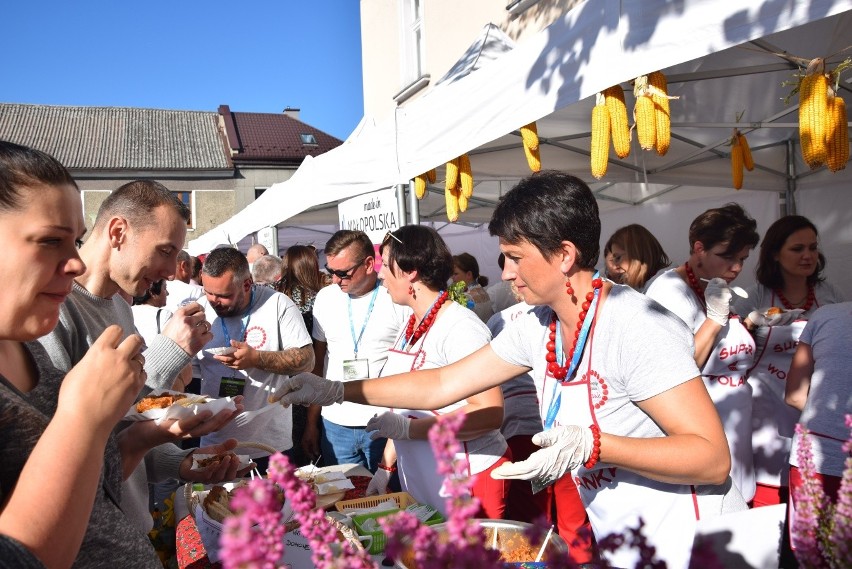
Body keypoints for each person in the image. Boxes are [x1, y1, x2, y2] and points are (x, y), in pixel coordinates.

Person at [274, 171, 744, 569]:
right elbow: (443, 383)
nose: (505, 273)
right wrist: (336, 389)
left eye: (516, 258)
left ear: (563, 254)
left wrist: (594, 445)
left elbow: (710, 457)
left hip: (694, 539)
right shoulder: (535, 325)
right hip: (625, 535)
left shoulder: (635, 323)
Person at [36, 179, 246, 533]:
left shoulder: (119, 304)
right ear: (118, 232)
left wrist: (179, 462)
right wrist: (171, 350)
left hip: (129, 525)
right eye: (165, 251)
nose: (169, 271)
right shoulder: (52, 314)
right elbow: (59, 455)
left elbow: (122, 425)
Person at [0, 140, 156, 567]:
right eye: (51, 240)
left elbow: (96, 492)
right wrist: (83, 417)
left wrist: (149, 437)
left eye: (77, 241)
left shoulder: (31, 348)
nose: (75, 262)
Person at [364, 226, 511, 519]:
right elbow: (405, 410)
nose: (380, 275)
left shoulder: (460, 327)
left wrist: (410, 430)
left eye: (386, 264)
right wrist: (385, 466)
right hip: (426, 475)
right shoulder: (410, 326)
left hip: (468, 477)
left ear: (411, 271)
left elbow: (489, 411)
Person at [646, 203, 760, 503]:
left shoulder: (714, 284)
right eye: (727, 257)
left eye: (743, 259)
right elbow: (676, 371)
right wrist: (714, 319)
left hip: (737, 425)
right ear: (699, 248)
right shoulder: (669, 291)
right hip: (703, 429)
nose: (736, 267)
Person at [734, 215, 844, 508]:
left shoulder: (829, 296)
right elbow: (732, 354)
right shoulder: (755, 296)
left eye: (812, 247)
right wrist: (750, 324)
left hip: (817, 409)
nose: (808, 255)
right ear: (774, 253)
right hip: (765, 416)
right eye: (797, 249)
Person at [486, 301, 594, 563]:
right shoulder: (500, 318)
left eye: (516, 259)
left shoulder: (581, 312)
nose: (510, 275)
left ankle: (576, 560)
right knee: (538, 515)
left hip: (567, 432)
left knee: (568, 511)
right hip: (525, 426)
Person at [195, 247, 314, 471]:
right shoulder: (200, 311)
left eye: (224, 295)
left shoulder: (278, 304)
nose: (214, 301)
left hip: (270, 446)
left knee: (276, 506)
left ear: (247, 284)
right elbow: (187, 376)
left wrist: (256, 359)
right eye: (208, 292)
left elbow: (307, 360)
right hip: (215, 444)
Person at [306, 230, 409, 471]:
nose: (334, 280)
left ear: (369, 264)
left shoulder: (393, 297)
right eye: (330, 271)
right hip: (335, 424)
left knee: (387, 502)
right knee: (343, 501)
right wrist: (312, 422)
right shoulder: (325, 298)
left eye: (342, 273)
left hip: (383, 423)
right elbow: (318, 363)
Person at [784, 301, 852, 565]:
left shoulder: (826, 315)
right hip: (820, 459)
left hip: (817, 457)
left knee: (815, 558)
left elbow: (795, 396)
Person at [602, 224, 670, 291]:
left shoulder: (665, 286)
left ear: (637, 254)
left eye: (618, 258)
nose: (616, 266)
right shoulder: (638, 286)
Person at [451, 252, 495, 322]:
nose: (452, 278)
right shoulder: (483, 291)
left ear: (469, 274)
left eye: (455, 274)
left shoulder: (466, 298)